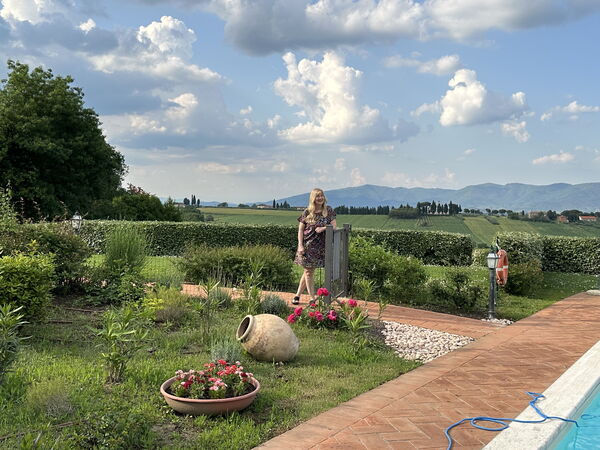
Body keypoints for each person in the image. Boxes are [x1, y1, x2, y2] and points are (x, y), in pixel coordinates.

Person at [292, 188, 337, 304]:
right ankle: (312, 298)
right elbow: (300, 230)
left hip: (321, 247)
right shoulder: (307, 212)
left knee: (308, 271)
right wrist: (300, 245)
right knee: (308, 272)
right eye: (317, 196)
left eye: (321, 195)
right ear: (313, 198)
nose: (320, 198)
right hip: (307, 246)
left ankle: (297, 295)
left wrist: (323, 228)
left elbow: (334, 227)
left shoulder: (329, 210)